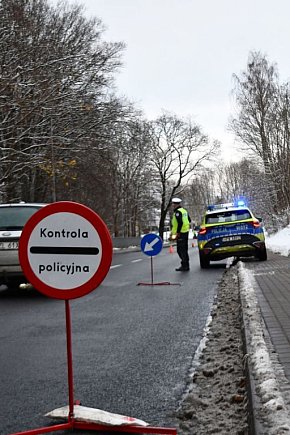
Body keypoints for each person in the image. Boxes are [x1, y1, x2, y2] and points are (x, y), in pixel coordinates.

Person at [170, 197, 191, 271]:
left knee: (180, 250)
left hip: (181, 233)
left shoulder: (178, 212)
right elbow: (189, 220)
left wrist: (178, 232)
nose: (173, 206)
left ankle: (185, 265)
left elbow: (180, 222)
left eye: (173, 204)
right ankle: (186, 265)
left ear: (175, 205)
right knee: (184, 249)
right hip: (186, 232)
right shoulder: (184, 211)